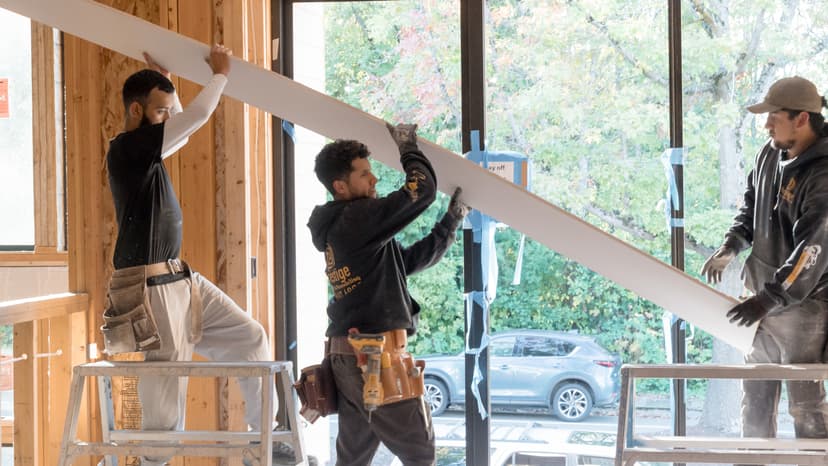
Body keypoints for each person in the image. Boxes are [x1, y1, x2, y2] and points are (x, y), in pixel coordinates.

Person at [106, 46, 304, 465]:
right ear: (137, 110)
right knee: (163, 400)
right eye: (160, 111)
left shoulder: (149, 153)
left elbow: (184, 128)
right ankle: (152, 462)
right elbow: (193, 120)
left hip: (180, 279)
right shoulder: (126, 149)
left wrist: (169, 85)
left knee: (250, 338)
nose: (167, 117)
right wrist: (220, 75)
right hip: (148, 287)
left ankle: (264, 442)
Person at [307, 124, 469, 465]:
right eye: (365, 174)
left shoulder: (346, 226)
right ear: (340, 186)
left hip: (350, 359)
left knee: (353, 460)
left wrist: (449, 224)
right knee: (420, 453)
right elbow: (421, 190)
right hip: (372, 359)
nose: (375, 180)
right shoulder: (356, 219)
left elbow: (406, 262)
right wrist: (408, 147)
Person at [701, 76, 828, 446]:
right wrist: (731, 246)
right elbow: (750, 207)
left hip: (805, 306)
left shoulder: (822, 175)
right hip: (761, 298)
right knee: (754, 398)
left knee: (805, 404)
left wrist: (768, 299)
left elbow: (813, 249)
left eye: (774, 116)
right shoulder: (770, 154)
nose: (767, 124)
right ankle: (754, 459)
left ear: (802, 118)